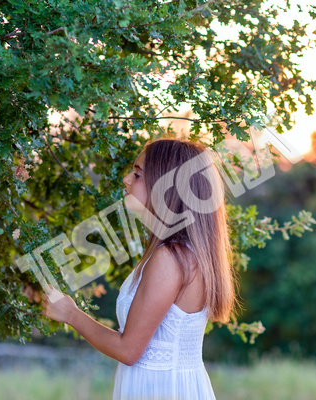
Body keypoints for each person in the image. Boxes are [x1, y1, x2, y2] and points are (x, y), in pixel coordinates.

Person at [41, 137, 238, 399]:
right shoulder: (176, 253)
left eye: (137, 174)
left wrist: (71, 314)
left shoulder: (171, 258)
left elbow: (129, 350)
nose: (126, 179)